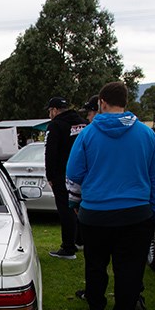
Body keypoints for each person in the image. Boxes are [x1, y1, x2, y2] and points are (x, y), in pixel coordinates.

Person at [66, 82, 155, 310]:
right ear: (125, 101)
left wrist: (75, 204)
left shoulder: (87, 135)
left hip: (95, 214)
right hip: (136, 214)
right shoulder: (146, 135)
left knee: (96, 265)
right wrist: (153, 211)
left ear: (101, 102)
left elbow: (74, 174)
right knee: (130, 269)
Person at [45, 97, 87, 260]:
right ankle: (80, 240)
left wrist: (50, 175)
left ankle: (68, 247)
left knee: (66, 209)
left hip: (62, 174)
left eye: (50, 111)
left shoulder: (55, 125)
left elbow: (51, 152)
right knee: (81, 206)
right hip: (83, 173)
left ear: (55, 110)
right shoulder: (83, 124)